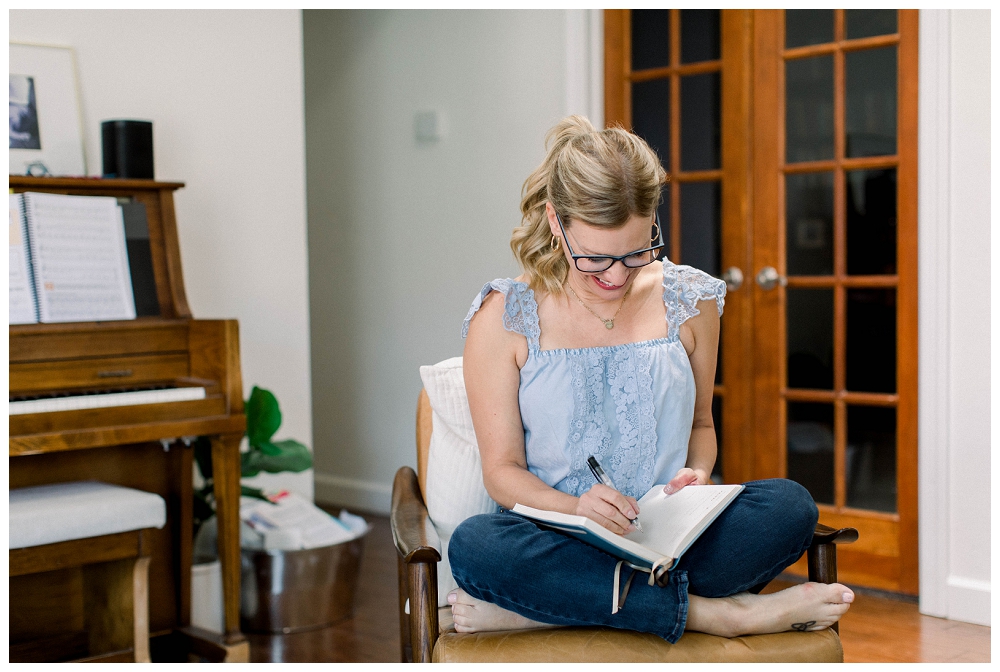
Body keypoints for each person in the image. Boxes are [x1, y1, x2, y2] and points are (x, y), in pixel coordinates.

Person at [447, 115, 854, 642]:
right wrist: (577, 508)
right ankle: (719, 614)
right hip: (557, 536)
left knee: (789, 507)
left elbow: (702, 428)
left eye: (636, 253)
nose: (615, 276)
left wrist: (698, 474)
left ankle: (550, 607)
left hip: (670, 535)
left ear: (653, 223)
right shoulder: (503, 317)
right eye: (593, 258)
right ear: (555, 221)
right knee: (477, 547)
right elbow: (502, 472)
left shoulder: (692, 301)